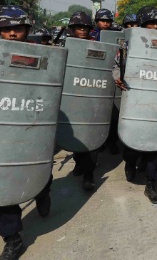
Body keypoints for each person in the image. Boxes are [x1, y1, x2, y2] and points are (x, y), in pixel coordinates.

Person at [0, 5, 53, 260]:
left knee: (36, 169)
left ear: (27, 29)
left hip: (32, 125)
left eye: (17, 28)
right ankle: (12, 238)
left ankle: (42, 190)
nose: (12, 34)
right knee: (0, 184)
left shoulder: (43, 55)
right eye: (6, 29)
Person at [113, 6, 157, 204]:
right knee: (133, 143)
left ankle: (151, 184)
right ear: (141, 25)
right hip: (135, 100)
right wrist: (117, 78)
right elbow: (116, 66)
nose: (153, 27)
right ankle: (130, 162)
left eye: (156, 23)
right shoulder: (129, 44)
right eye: (149, 24)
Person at [67, 11, 100, 191]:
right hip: (71, 99)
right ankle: (79, 163)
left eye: (85, 27)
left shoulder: (97, 47)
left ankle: (89, 174)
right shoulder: (65, 47)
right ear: (72, 29)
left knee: (91, 138)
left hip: (92, 98)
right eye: (78, 27)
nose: (82, 30)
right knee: (75, 136)